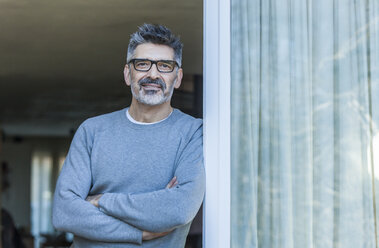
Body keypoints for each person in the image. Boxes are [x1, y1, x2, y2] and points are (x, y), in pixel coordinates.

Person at [52, 24, 205, 248]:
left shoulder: (192, 132)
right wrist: (138, 233)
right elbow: (64, 212)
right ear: (127, 73)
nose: (153, 74)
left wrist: (100, 201)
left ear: (178, 77)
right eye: (142, 64)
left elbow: (178, 209)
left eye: (165, 66)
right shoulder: (92, 131)